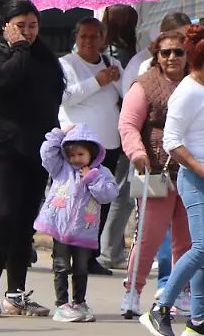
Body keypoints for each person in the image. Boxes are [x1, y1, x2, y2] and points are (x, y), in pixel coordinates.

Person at [139, 25, 204, 336]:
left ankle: (198, 320)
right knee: (202, 247)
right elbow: (172, 141)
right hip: (199, 180)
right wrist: (202, 170)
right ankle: (160, 307)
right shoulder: (187, 91)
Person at [0, 0, 66, 318]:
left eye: (33, 26)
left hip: (35, 144)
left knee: (25, 219)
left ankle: (16, 293)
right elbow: (0, 79)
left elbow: (54, 92)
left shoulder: (42, 54)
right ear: (5, 25)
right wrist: (19, 49)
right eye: (20, 26)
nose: (28, 32)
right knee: (3, 214)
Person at [118, 30, 194, 318]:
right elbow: (128, 125)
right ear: (157, 56)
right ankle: (133, 292)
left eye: (178, 52)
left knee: (186, 241)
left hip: (191, 173)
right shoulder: (145, 85)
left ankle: (180, 294)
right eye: (166, 53)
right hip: (154, 173)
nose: (172, 57)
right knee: (148, 236)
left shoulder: (197, 82)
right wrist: (137, 154)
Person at [57, 16, 125, 276]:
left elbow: (125, 94)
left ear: (102, 39)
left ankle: (91, 255)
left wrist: (114, 78)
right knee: (74, 201)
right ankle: (65, 252)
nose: (88, 41)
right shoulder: (66, 64)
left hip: (107, 144)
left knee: (101, 201)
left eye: (94, 36)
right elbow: (65, 98)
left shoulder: (112, 62)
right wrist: (98, 80)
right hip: (78, 146)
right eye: (83, 36)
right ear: (76, 37)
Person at [34, 124, 120, 323]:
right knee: (61, 266)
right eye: (72, 155)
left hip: (85, 231)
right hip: (60, 228)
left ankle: (79, 302)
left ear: (92, 152)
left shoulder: (102, 172)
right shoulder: (61, 169)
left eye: (80, 154)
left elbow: (109, 195)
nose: (75, 159)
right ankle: (62, 304)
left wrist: (93, 179)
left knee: (81, 268)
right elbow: (46, 153)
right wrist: (58, 134)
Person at [101, 4, 141, 271]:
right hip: (124, 129)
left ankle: (106, 246)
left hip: (108, 129)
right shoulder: (124, 56)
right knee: (122, 190)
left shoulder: (107, 53)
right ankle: (110, 248)